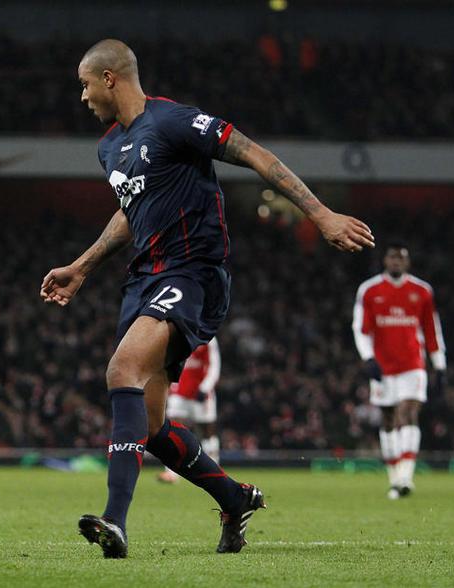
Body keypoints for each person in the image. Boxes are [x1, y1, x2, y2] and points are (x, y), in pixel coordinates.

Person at [40, 39, 374, 558]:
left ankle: (115, 521)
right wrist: (82, 266)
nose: (82, 97)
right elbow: (132, 209)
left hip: (193, 272)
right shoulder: (109, 148)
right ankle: (234, 498)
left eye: (85, 85)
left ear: (109, 78)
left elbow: (255, 153)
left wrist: (320, 215)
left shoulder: (173, 121)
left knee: (121, 370)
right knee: (152, 427)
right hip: (143, 279)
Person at [352, 244, 445, 499]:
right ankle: (394, 479)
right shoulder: (370, 290)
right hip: (383, 367)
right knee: (388, 419)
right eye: (392, 257)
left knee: (408, 412)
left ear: (407, 262)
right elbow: (360, 328)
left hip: (412, 364)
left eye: (401, 258)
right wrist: (368, 358)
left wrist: (439, 364)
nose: (396, 262)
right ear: (385, 261)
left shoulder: (421, 291)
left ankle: (406, 476)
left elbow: (432, 329)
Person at [157, 338, 221, 484]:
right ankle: (171, 472)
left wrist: (206, 387)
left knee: (207, 431)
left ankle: (214, 470)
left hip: (201, 393)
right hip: (179, 392)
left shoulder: (208, 338)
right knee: (171, 429)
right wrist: (170, 386)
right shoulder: (179, 336)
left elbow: (214, 365)